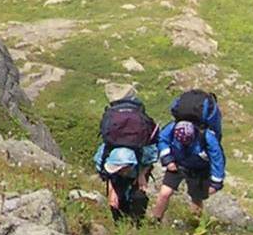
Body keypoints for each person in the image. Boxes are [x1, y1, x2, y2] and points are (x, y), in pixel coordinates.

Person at [149, 94, 226, 221]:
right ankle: (154, 220)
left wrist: (216, 182)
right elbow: (162, 140)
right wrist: (168, 159)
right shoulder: (172, 127)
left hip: (199, 169)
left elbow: (217, 158)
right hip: (177, 164)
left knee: (196, 199)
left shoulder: (207, 136)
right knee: (164, 193)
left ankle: (194, 223)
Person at [94, 91, 156, 223]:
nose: (119, 170)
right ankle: (119, 226)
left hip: (136, 173)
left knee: (139, 197)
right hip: (119, 178)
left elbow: (151, 159)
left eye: (120, 168)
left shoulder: (141, 153)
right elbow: (104, 173)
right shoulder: (105, 155)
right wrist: (112, 191)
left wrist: (141, 175)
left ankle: (137, 224)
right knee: (116, 202)